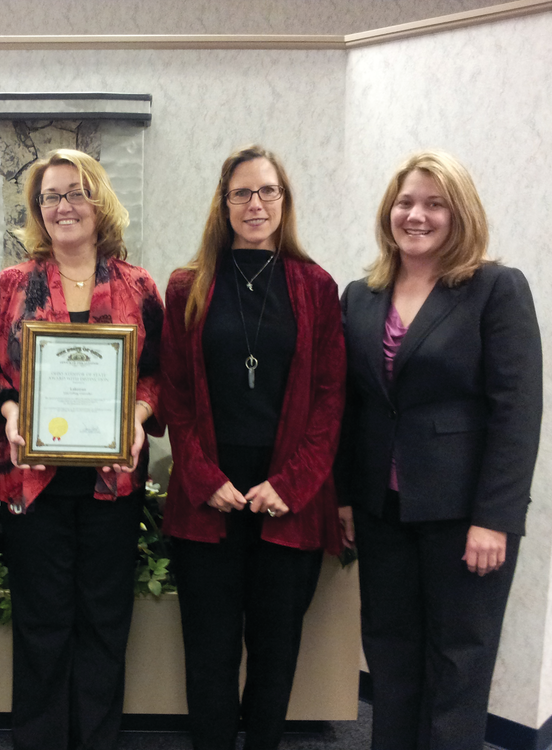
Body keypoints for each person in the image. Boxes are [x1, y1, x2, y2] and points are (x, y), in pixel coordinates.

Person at [337, 150, 542, 750]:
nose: (416, 215)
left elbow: (517, 412)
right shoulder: (361, 294)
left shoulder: (495, 289)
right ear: (388, 211)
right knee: (391, 654)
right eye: (405, 202)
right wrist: (346, 497)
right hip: (383, 509)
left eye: (433, 204)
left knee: (459, 662)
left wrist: (495, 519)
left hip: (463, 515)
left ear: (460, 214)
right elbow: (352, 408)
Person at [160, 144, 349, 750]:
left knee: (275, 653)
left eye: (268, 191)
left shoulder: (316, 286)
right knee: (209, 654)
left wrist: (291, 485)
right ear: (223, 203)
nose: (255, 203)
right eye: (241, 192)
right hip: (206, 498)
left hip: (286, 501)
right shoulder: (188, 286)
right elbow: (178, 396)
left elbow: (328, 399)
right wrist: (200, 476)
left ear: (284, 201)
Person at [0, 148, 164, 750]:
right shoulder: (12, 286)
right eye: (51, 196)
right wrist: (9, 412)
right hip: (34, 479)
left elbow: (159, 375)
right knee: (42, 623)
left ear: (98, 201)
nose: (64, 206)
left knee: (105, 623)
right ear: (38, 210)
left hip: (112, 482)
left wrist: (136, 415)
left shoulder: (138, 287)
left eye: (75, 192)